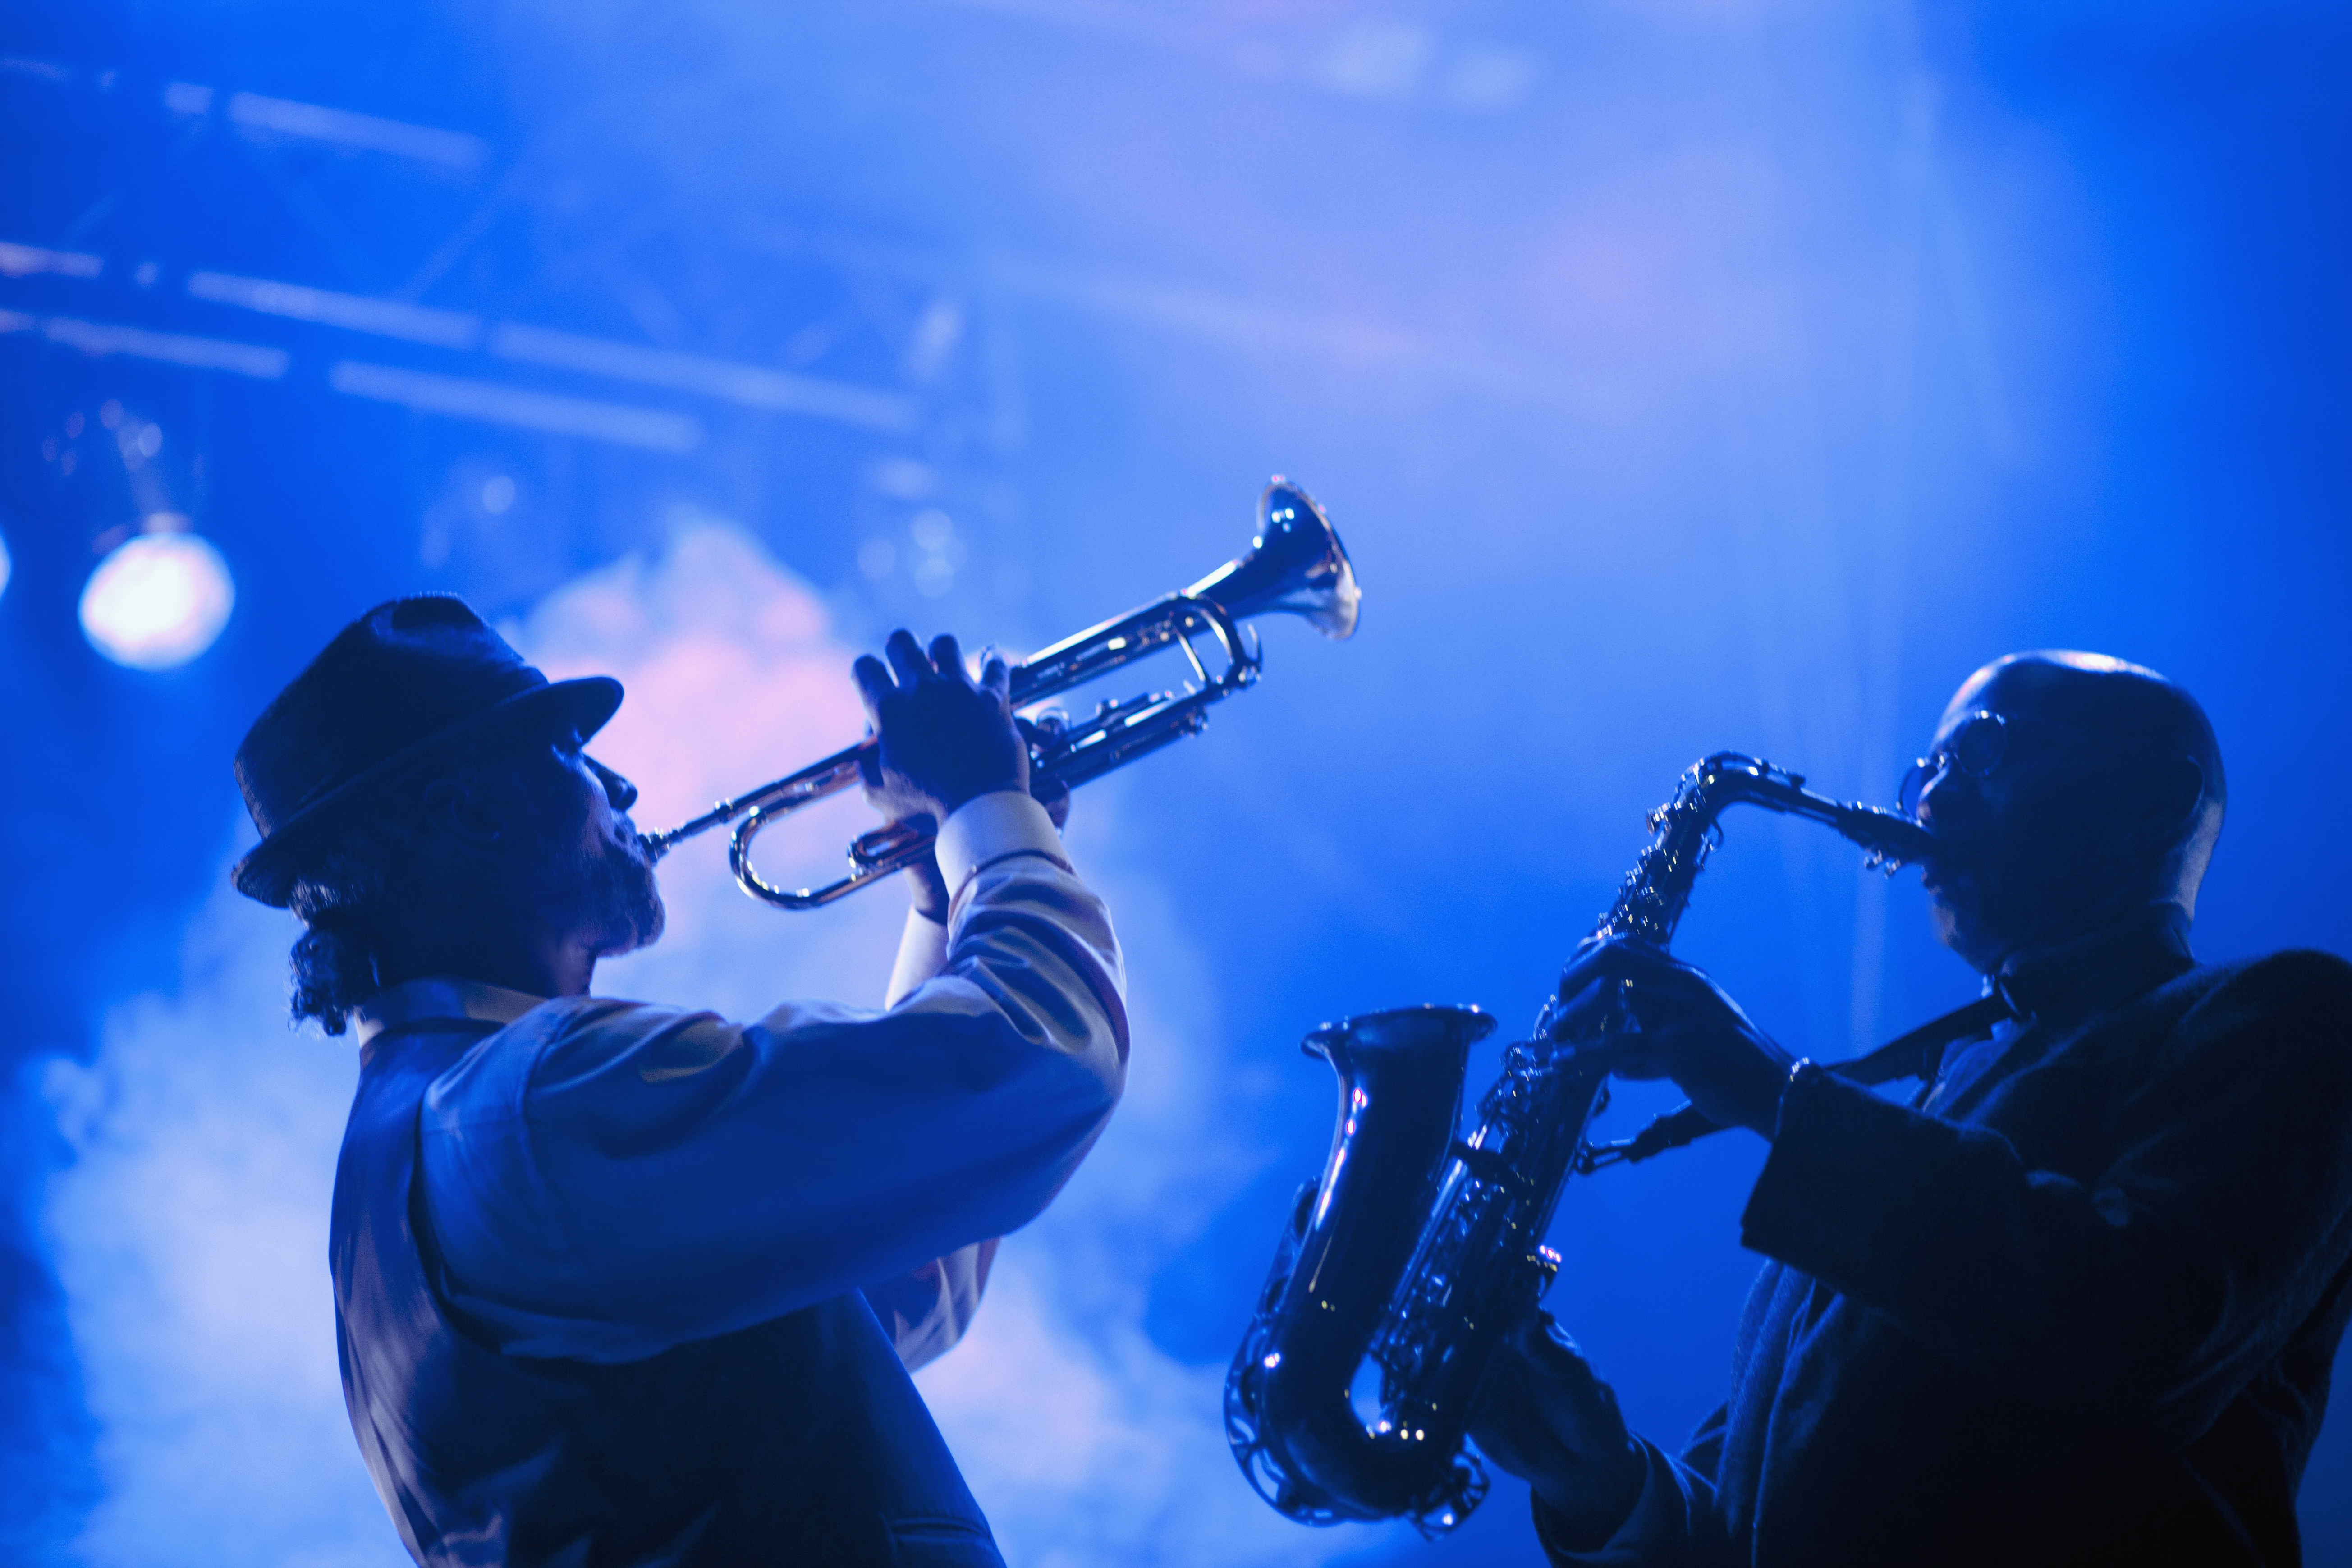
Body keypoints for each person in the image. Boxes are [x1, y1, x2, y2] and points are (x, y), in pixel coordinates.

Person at [229, 595, 1127, 1567]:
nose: (621, 784)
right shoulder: (529, 1107)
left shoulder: (421, 1149)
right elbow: (1038, 1060)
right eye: (570, 755)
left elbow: (896, 1277)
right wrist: (989, 810)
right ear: (472, 811)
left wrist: (952, 896)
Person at [1468, 651, 2352, 1566]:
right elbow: (1758, 1526)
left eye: (1976, 751)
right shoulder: (1921, 1113)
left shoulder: (2289, 1012)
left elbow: (2146, 1335)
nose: (1925, 799)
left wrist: (1775, 1093)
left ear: (2155, 798)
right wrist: (1605, 1482)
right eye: (1920, 770)